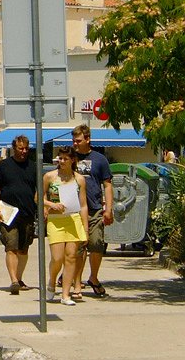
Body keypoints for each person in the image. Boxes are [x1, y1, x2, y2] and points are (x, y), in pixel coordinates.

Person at [71, 123, 113, 298]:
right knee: (78, 248)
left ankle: (93, 278)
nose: (75, 144)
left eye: (78, 141)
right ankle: (76, 283)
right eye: (73, 141)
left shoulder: (100, 159)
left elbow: (108, 185)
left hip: (95, 209)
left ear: (88, 139)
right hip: (74, 210)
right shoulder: (69, 158)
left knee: (96, 245)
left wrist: (108, 209)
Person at [0, 134, 37, 295]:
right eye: (20, 148)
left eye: (26, 148)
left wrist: (40, 207)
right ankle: (13, 280)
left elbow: (38, 191)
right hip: (8, 214)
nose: (24, 151)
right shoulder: (4, 166)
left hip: (28, 213)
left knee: (23, 249)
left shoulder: (33, 167)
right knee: (11, 247)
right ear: (14, 148)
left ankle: (19, 278)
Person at [43, 147, 89, 306]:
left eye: (65, 159)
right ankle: (51, 281)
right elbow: (38, 198)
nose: (61, 161)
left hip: (73, 220)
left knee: (71, 257)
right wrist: (51, 205)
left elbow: (83, 205)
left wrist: (85, 229)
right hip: (56, 221)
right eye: (60, 158)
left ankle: (65, 294)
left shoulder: (79, 179)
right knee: (57, 258)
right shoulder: (49, 177)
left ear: (72, 160)